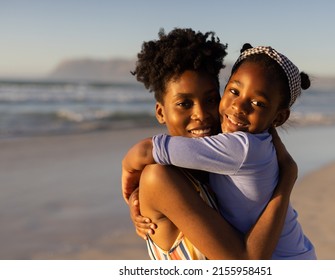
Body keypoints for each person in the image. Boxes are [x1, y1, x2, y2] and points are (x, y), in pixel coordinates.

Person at [122, 28, 299, 260]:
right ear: (160, 111)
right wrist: (286, 182)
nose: (202, 114)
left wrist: (288, 170)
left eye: (211, 100)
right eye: (184, 104)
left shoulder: (217, 166)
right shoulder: (159, 178)